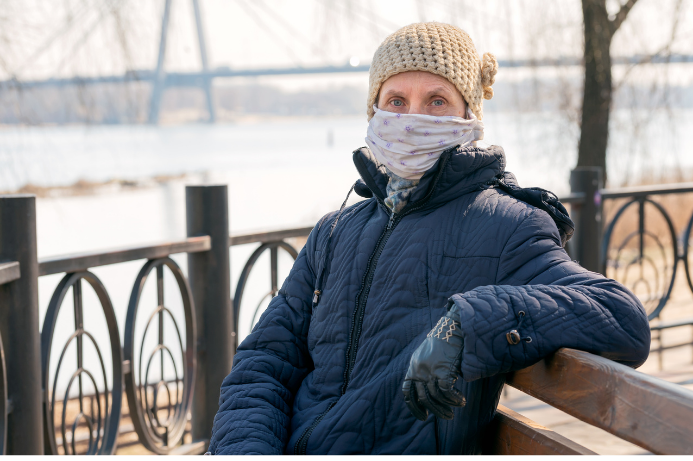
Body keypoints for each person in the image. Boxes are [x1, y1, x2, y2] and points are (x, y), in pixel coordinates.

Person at [207, 22, 650, 455]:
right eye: (396, 100)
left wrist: (470, 324)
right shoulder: (334, 232)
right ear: (374, 112)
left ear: (468, 116)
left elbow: (622, 318)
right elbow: (263, 366)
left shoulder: (507, 224)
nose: (413, 117)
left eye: (436, 101)